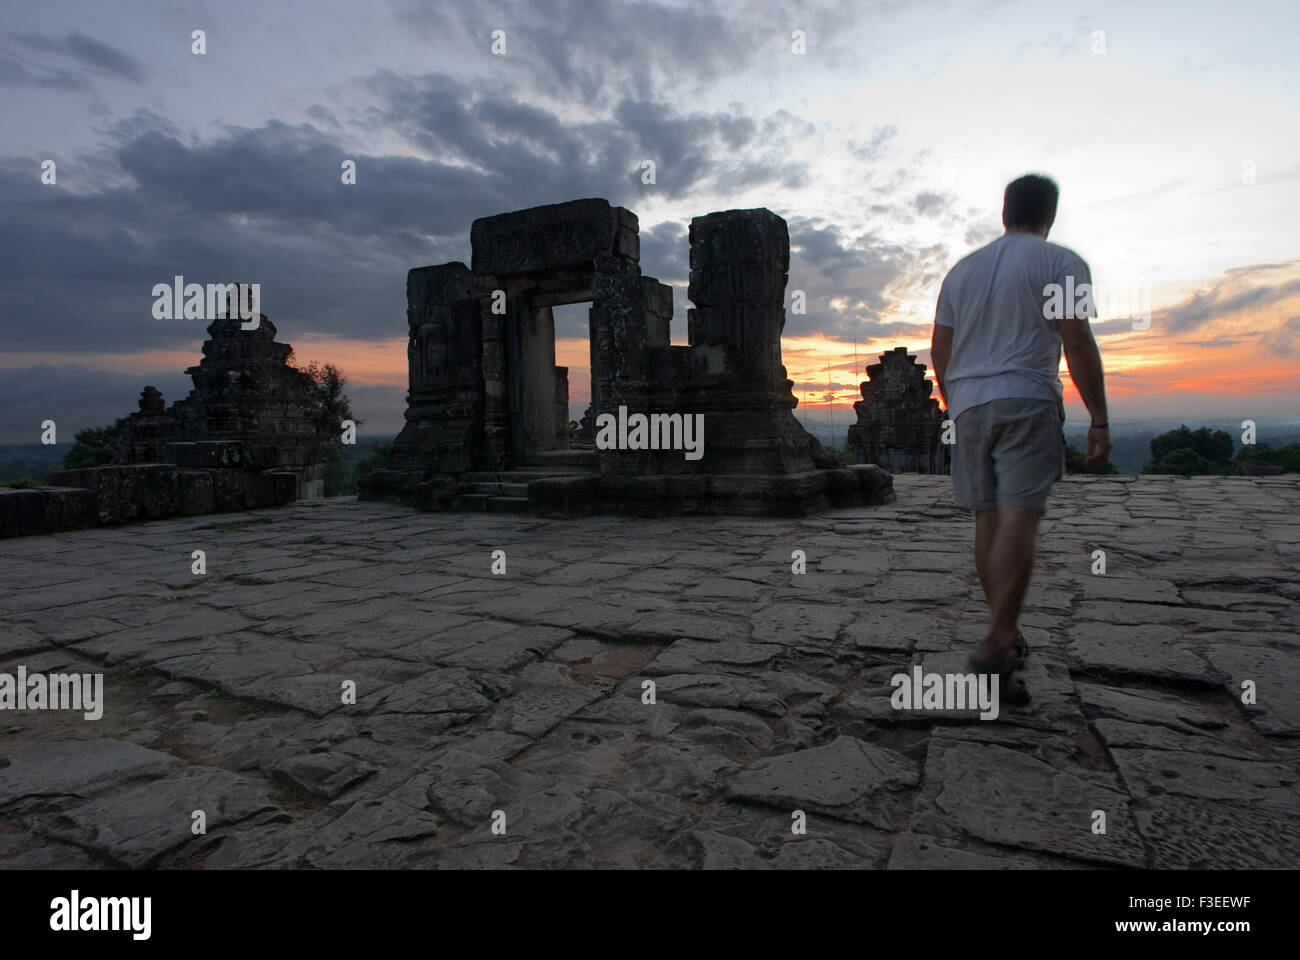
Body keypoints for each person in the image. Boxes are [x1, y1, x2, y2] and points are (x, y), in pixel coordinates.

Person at [930, 173, 1112, 705]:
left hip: (968, 404)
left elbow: (940, 347)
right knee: (1019, 518)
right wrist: (1097, 417)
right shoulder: (1060, 262)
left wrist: (953, 399)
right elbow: (1075, 339)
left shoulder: (962, 271)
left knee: (988, 519)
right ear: (1049, 215)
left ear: (1004, 211)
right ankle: (997, 641)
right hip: (1027, 397)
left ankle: (1003, 640)